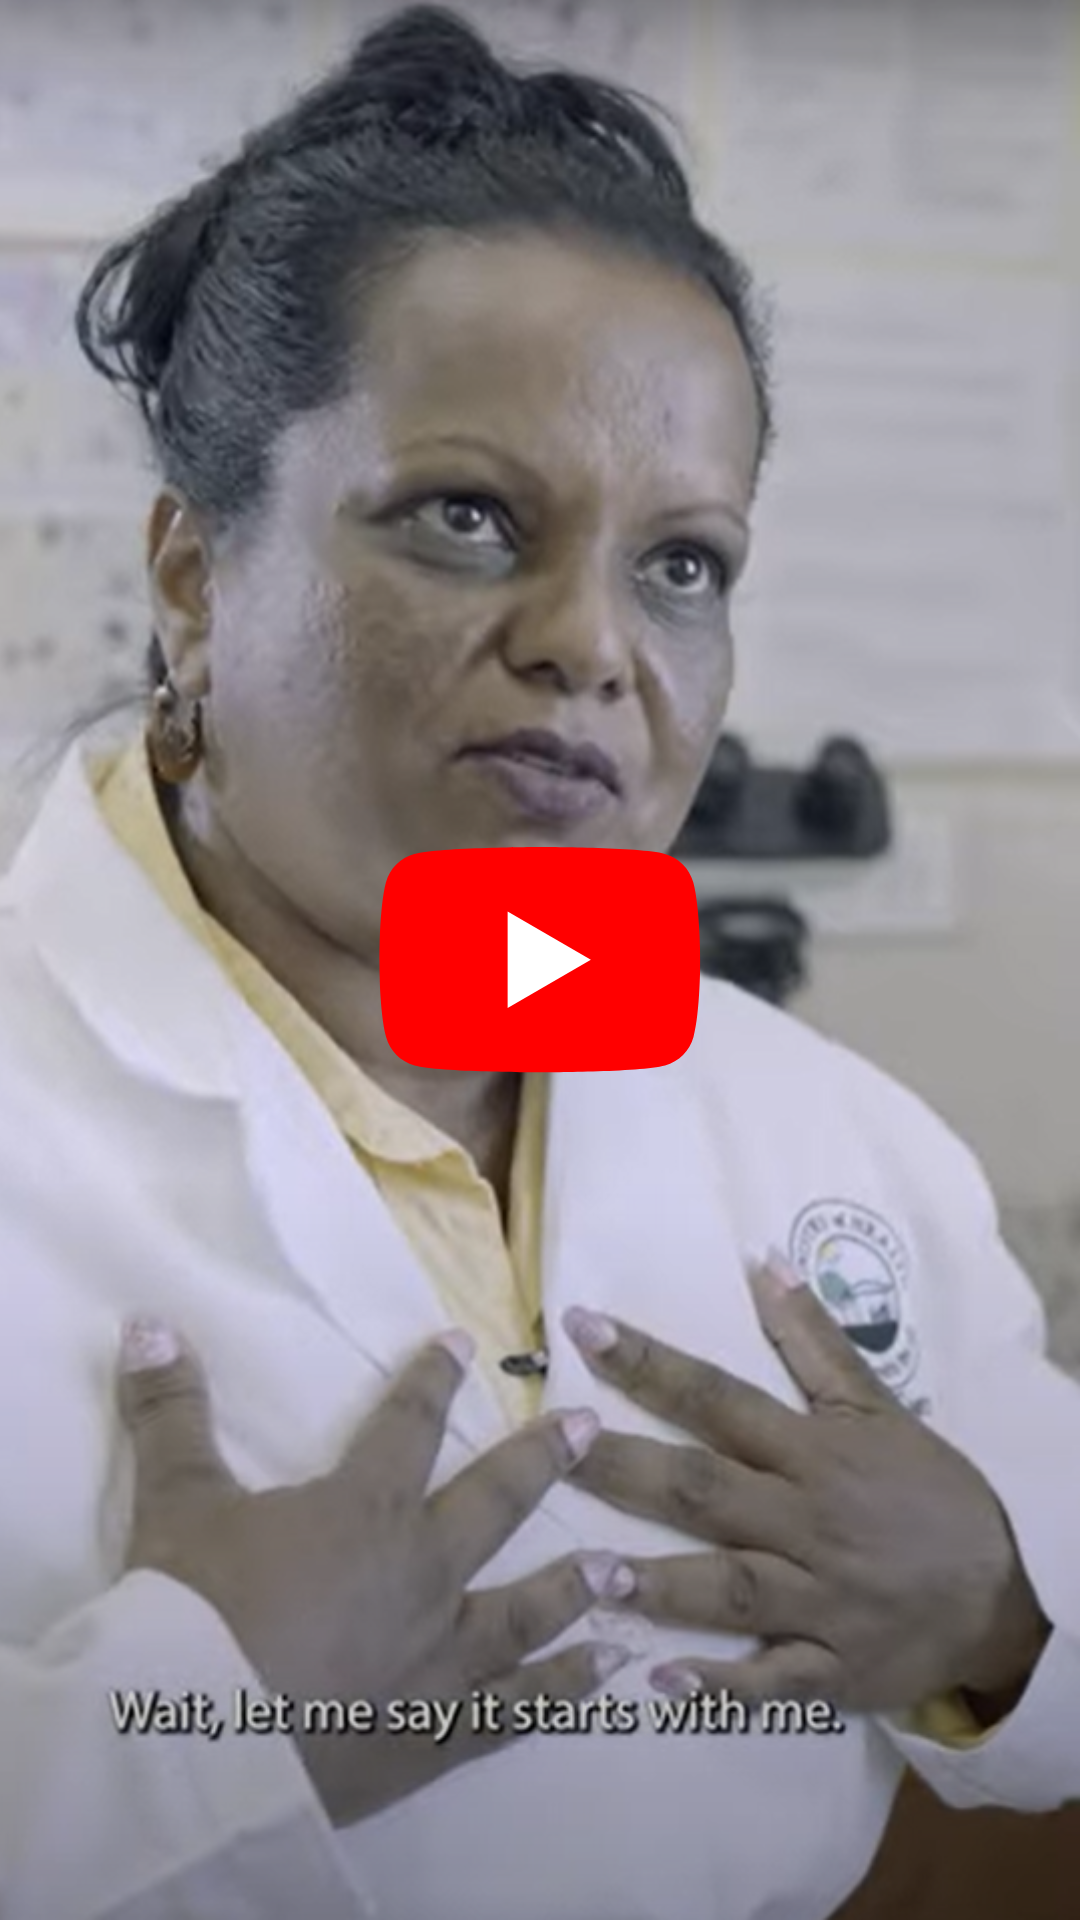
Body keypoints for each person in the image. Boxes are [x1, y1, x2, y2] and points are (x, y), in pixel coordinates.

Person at [0, 7, 1077, 1917]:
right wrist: (183, 1733)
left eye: (683, 563)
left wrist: (999, 1617)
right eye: (467, 518)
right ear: (192, 580)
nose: (594, 643)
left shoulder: (821, 1132)